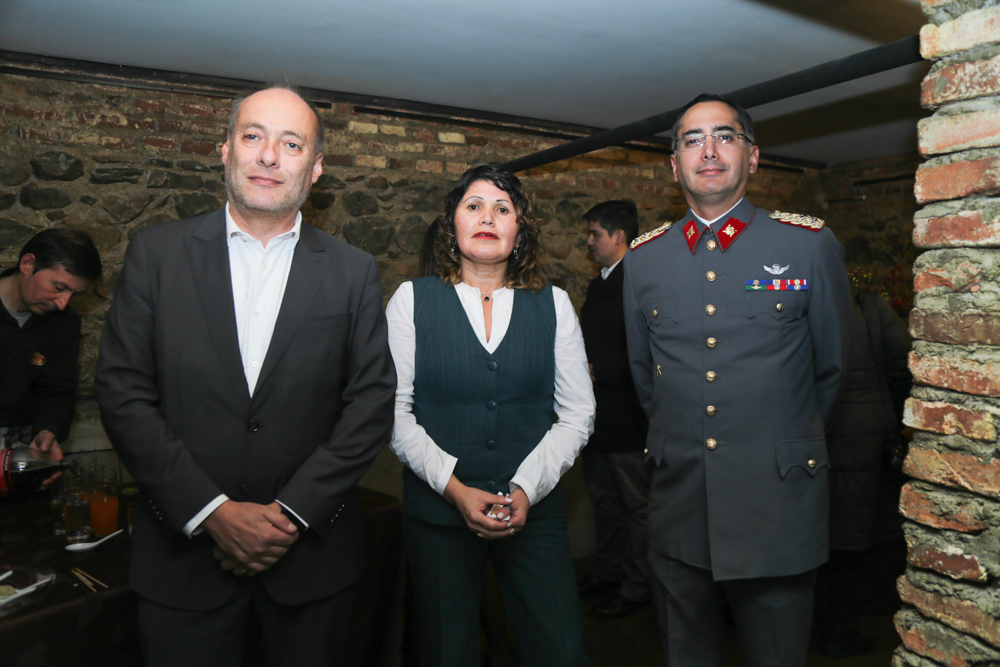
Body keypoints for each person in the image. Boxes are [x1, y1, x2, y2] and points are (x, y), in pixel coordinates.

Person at [95, 83, 396, 667]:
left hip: (311, 568)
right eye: (253, 136)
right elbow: (122, 392)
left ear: (316, 168)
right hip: (183, 569)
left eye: (291, 143)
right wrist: (211, 512)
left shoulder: (353, 271)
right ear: (226, 150)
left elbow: (370, 405)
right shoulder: (156, 255)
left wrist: (289, 516)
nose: (269, 156)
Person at [623, 93, 852, 667]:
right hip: (679, 505)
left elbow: (830, 372)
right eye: (692, 140)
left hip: (776, 505)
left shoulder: (806, 245)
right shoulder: (644, 260)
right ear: (674, 164)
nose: (708, 150)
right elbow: (646, 380)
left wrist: (781, 443)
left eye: (724, 136)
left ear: (752, 157)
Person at [386, 164, 595, 667]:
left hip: (534, 514)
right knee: (447, 651)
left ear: (520, 231)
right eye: (474, 206)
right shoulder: (411, 301)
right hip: (438, 516)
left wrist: (526, 488)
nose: (487, 217)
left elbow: (577, 413)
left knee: (560, 649)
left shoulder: (554, 305)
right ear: (452, 224)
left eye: (503, 209)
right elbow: (394, 413)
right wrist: (455, 490)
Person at [813, 283, 912, 658]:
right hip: (864, 432)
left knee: (820, 532)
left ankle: (810, 625)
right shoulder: (867, 305)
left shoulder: (784, 299)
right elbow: (904, 365)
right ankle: (840, 630)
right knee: (854, 535)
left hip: (810, 431)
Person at [577, 200, 651, 619]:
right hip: (598, 418)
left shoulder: (639, 282)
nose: (589, 242)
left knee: (636, 508)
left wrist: (596, 370)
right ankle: (608, 572)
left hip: (628, 418)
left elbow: (649, 349)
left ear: (619, 236)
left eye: (595, 234)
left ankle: (638, 587)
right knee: (605, 502)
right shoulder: (599, 285)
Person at [0, 229, 101, 468]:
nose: (62, 303)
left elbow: (57, 388)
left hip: (25, 451)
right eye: (58, 287)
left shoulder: (64, 322)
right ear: (28, 264)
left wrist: (47, 431)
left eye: (74, 294)